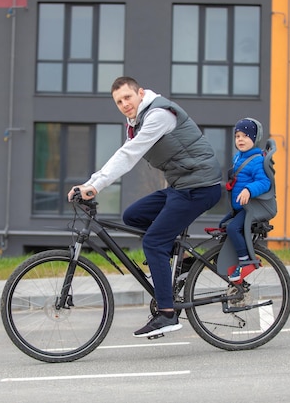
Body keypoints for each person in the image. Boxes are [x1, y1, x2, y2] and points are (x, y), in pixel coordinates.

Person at [68, 76, 222, 338]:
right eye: (118, 101)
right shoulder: (136, 123)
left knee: (153, 243)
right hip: (182, 186)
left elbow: (130, 155)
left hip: (200, 186)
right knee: (133, 216)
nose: (124, 104)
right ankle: (183, 259)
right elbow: (124, 152)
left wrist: (96, 187)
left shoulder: (159, 115)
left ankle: (166, 314)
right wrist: (89, 183)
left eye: (128, 97)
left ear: (140, 93)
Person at [220, 118, 271, 282]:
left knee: (233, 228)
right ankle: (227, 258)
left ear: (254, 138)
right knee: (223, 226)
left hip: (250, 208)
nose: (240, 139)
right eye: (237, 136)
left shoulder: (257, 160)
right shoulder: (239, 157)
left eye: (245, 136)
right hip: (239, 208)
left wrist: (249, 189)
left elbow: (264, 182)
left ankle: (245, 260)